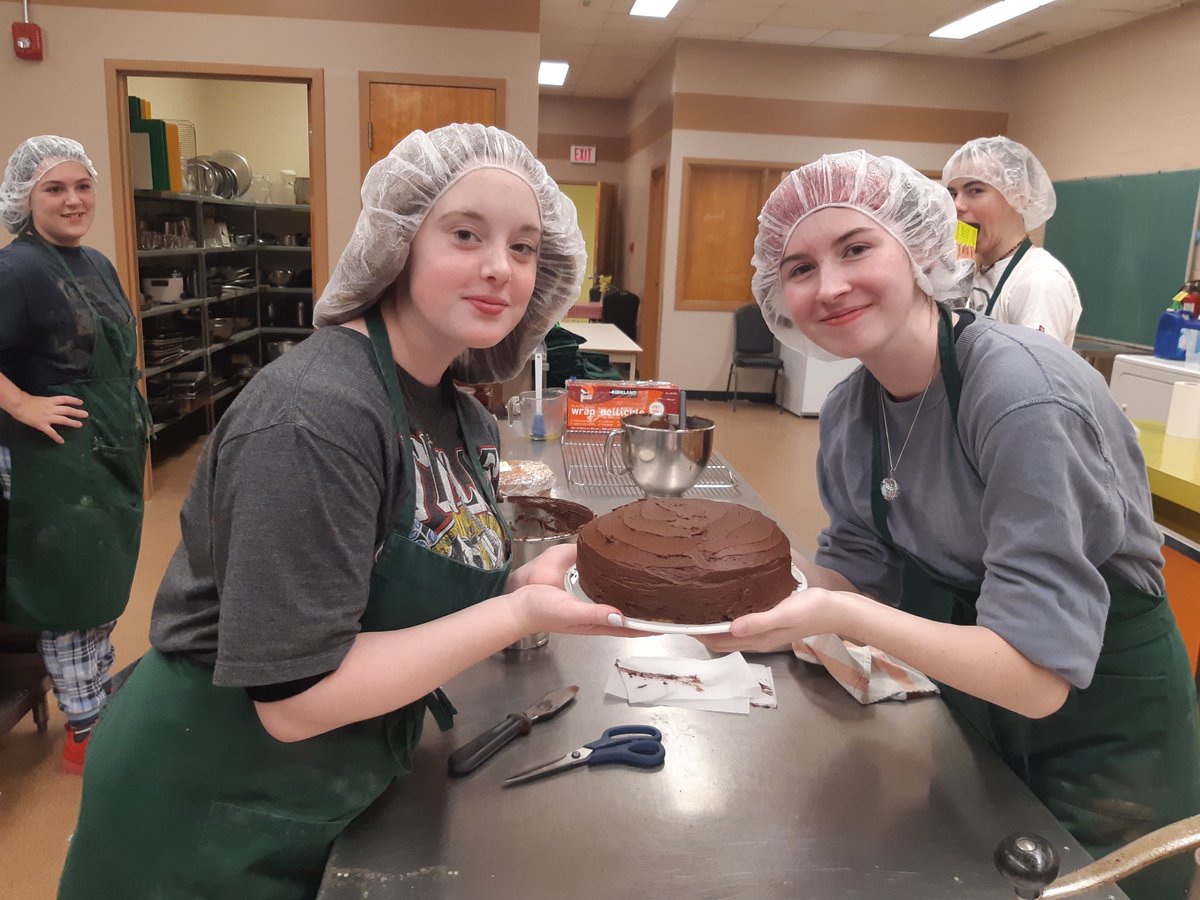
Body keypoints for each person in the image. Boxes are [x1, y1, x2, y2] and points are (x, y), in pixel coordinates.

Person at [58, 124, 631, 899]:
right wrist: (518, 615)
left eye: (525, 248)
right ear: (400, 242)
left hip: (324, 793)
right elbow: (294, 700)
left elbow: (395, 588)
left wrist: (513, 582)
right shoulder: (316, 415)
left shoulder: (461, 417)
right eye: (466, 234)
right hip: (205, 809)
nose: (501, 268)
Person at [704, 150, 1200, 900]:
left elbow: (1035, 679)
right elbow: (856, 571)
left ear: (924, 250)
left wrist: (835, 613)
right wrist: (733, 610)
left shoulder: (1021, 398)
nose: (828, 286)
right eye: (799, 268)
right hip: (976, 705)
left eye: (856, 249)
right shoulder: (851, 412)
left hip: (1106, 726)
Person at [0, 135, 148, 774]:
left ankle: (96, 697)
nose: (73, 200)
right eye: (54, 189)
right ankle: (85, 732)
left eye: (82, 186)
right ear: (25, 199)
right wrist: (23, 405)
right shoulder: (18, 269)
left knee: (103, 580)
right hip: (53, 462)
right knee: (71, 590)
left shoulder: (97, 263)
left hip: (105, 450)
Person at [943, 135, 1081, 346]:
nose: (958, 205)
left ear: (1019, 195)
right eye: (953, 194)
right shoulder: (975, 270)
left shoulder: (1039, 281)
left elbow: (1032, 373)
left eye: (975, 191)